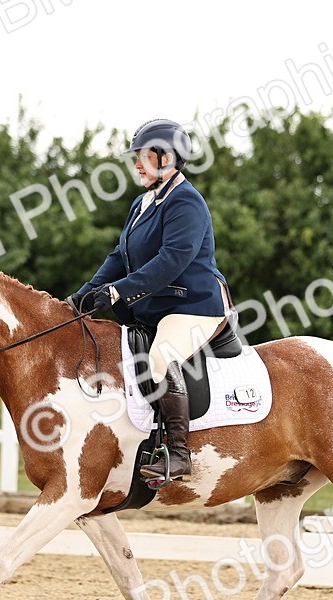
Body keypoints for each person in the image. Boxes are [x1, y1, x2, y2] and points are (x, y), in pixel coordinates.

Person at [69, 119, 231, 482]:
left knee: (160, 357)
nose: (137, 165)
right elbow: (119, 255)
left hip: (192, 306)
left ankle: (178, 453)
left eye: (142, 157)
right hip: (157, 307)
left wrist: (119, 291)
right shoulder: (143, 202)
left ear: (167, 157)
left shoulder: (186, 201)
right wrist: (85, 292)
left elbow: (173, 259)